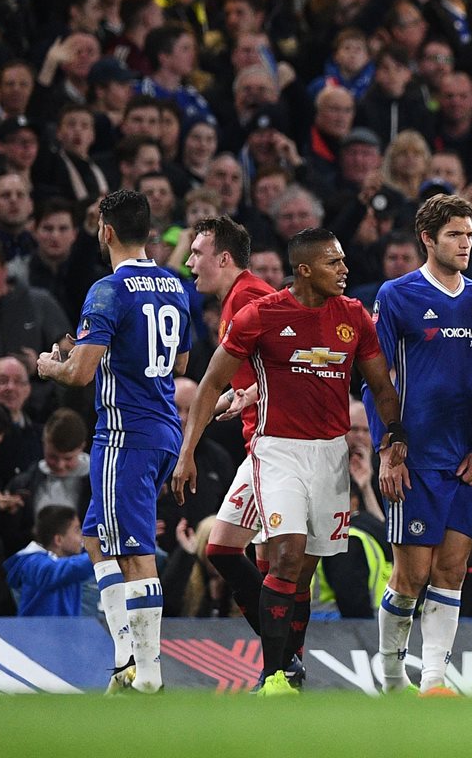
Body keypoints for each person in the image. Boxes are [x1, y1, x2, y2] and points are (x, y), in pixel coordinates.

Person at [171, 227, 406, 697]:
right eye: (333, 263)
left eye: (343, 260)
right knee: (285, 557)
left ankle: (288, 666)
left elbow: (381, 386)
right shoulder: (261, 314)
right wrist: (187, 452)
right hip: (275, 449)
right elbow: (211, 383)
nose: (345, 270)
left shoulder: (354, 317)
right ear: (304, 270)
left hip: (331, 453)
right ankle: (275, 674)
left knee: (304, 569)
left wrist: (394, 440)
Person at [36, 189, 192, 694]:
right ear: (147, 231)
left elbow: (78, 375)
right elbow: (181, 364)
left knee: (134, 550)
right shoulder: (174, 284)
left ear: (105, 231)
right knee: (95, 539)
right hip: (164, 425)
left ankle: (147, 674)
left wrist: (49, 366)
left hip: (126, 431)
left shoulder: (107, 289)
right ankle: (127, 655)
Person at [364, 194, 472, 696]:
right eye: (454, 235)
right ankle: (394, 677)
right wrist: (386, 449)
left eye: (469, 234)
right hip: (414, 458)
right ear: (428, 239)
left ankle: (435, 681)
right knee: (411, 575)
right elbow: (375, 381)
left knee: (452, 570)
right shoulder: (397, 294)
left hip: (463, 459)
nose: (466, 243)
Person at [182, 215, 298, 685]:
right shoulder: (236, 298)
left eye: (196, 252)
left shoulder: (248, 297)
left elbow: (291, 360)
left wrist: (247, 396)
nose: (189, 261)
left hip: (277, 447)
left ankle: (283, 662)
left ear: (223, 258)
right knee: (241, 554)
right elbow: (266, 369)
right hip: (261, 443)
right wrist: (242, 395)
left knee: (233, 552)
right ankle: (284, 663)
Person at [4, 504, 95, 616]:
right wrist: (97, 555)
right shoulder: (32, 563)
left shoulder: (70, 560)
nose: (82, 535)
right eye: (76, 530)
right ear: (58, 540)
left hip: (68, 631)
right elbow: (57, 570)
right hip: (36, 632)